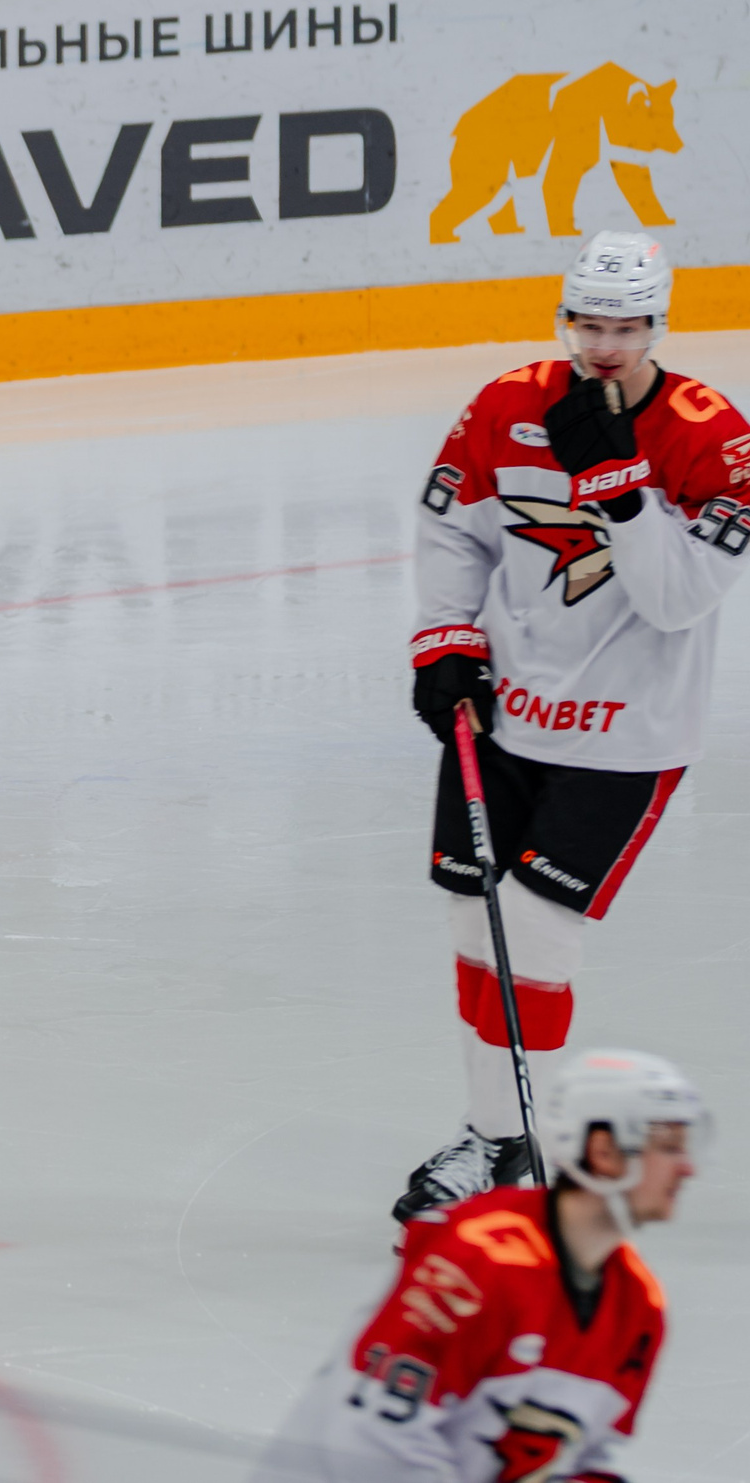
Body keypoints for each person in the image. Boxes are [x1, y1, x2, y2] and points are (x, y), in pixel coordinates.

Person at [395, 232, 749, 1223]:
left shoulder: (711, 437)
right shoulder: (507, 402)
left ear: (657, 326)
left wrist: (618, 487)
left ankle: (538, 1151)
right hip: (506, 713)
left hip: (627, 734)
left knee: (539, 942)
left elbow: (677, 599)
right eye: (587, 325)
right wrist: (445, 644)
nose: (603, 347)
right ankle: (493, 1140)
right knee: (473, 922)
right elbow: (449, 526)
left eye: (624, 328)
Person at [252, 1049, 703, 1483]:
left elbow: (580, 1458)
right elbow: (372, 1442)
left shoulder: (638, 1308)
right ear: (604, 1151)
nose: (688, 1169)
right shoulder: (478, 1257)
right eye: (668, 1148)